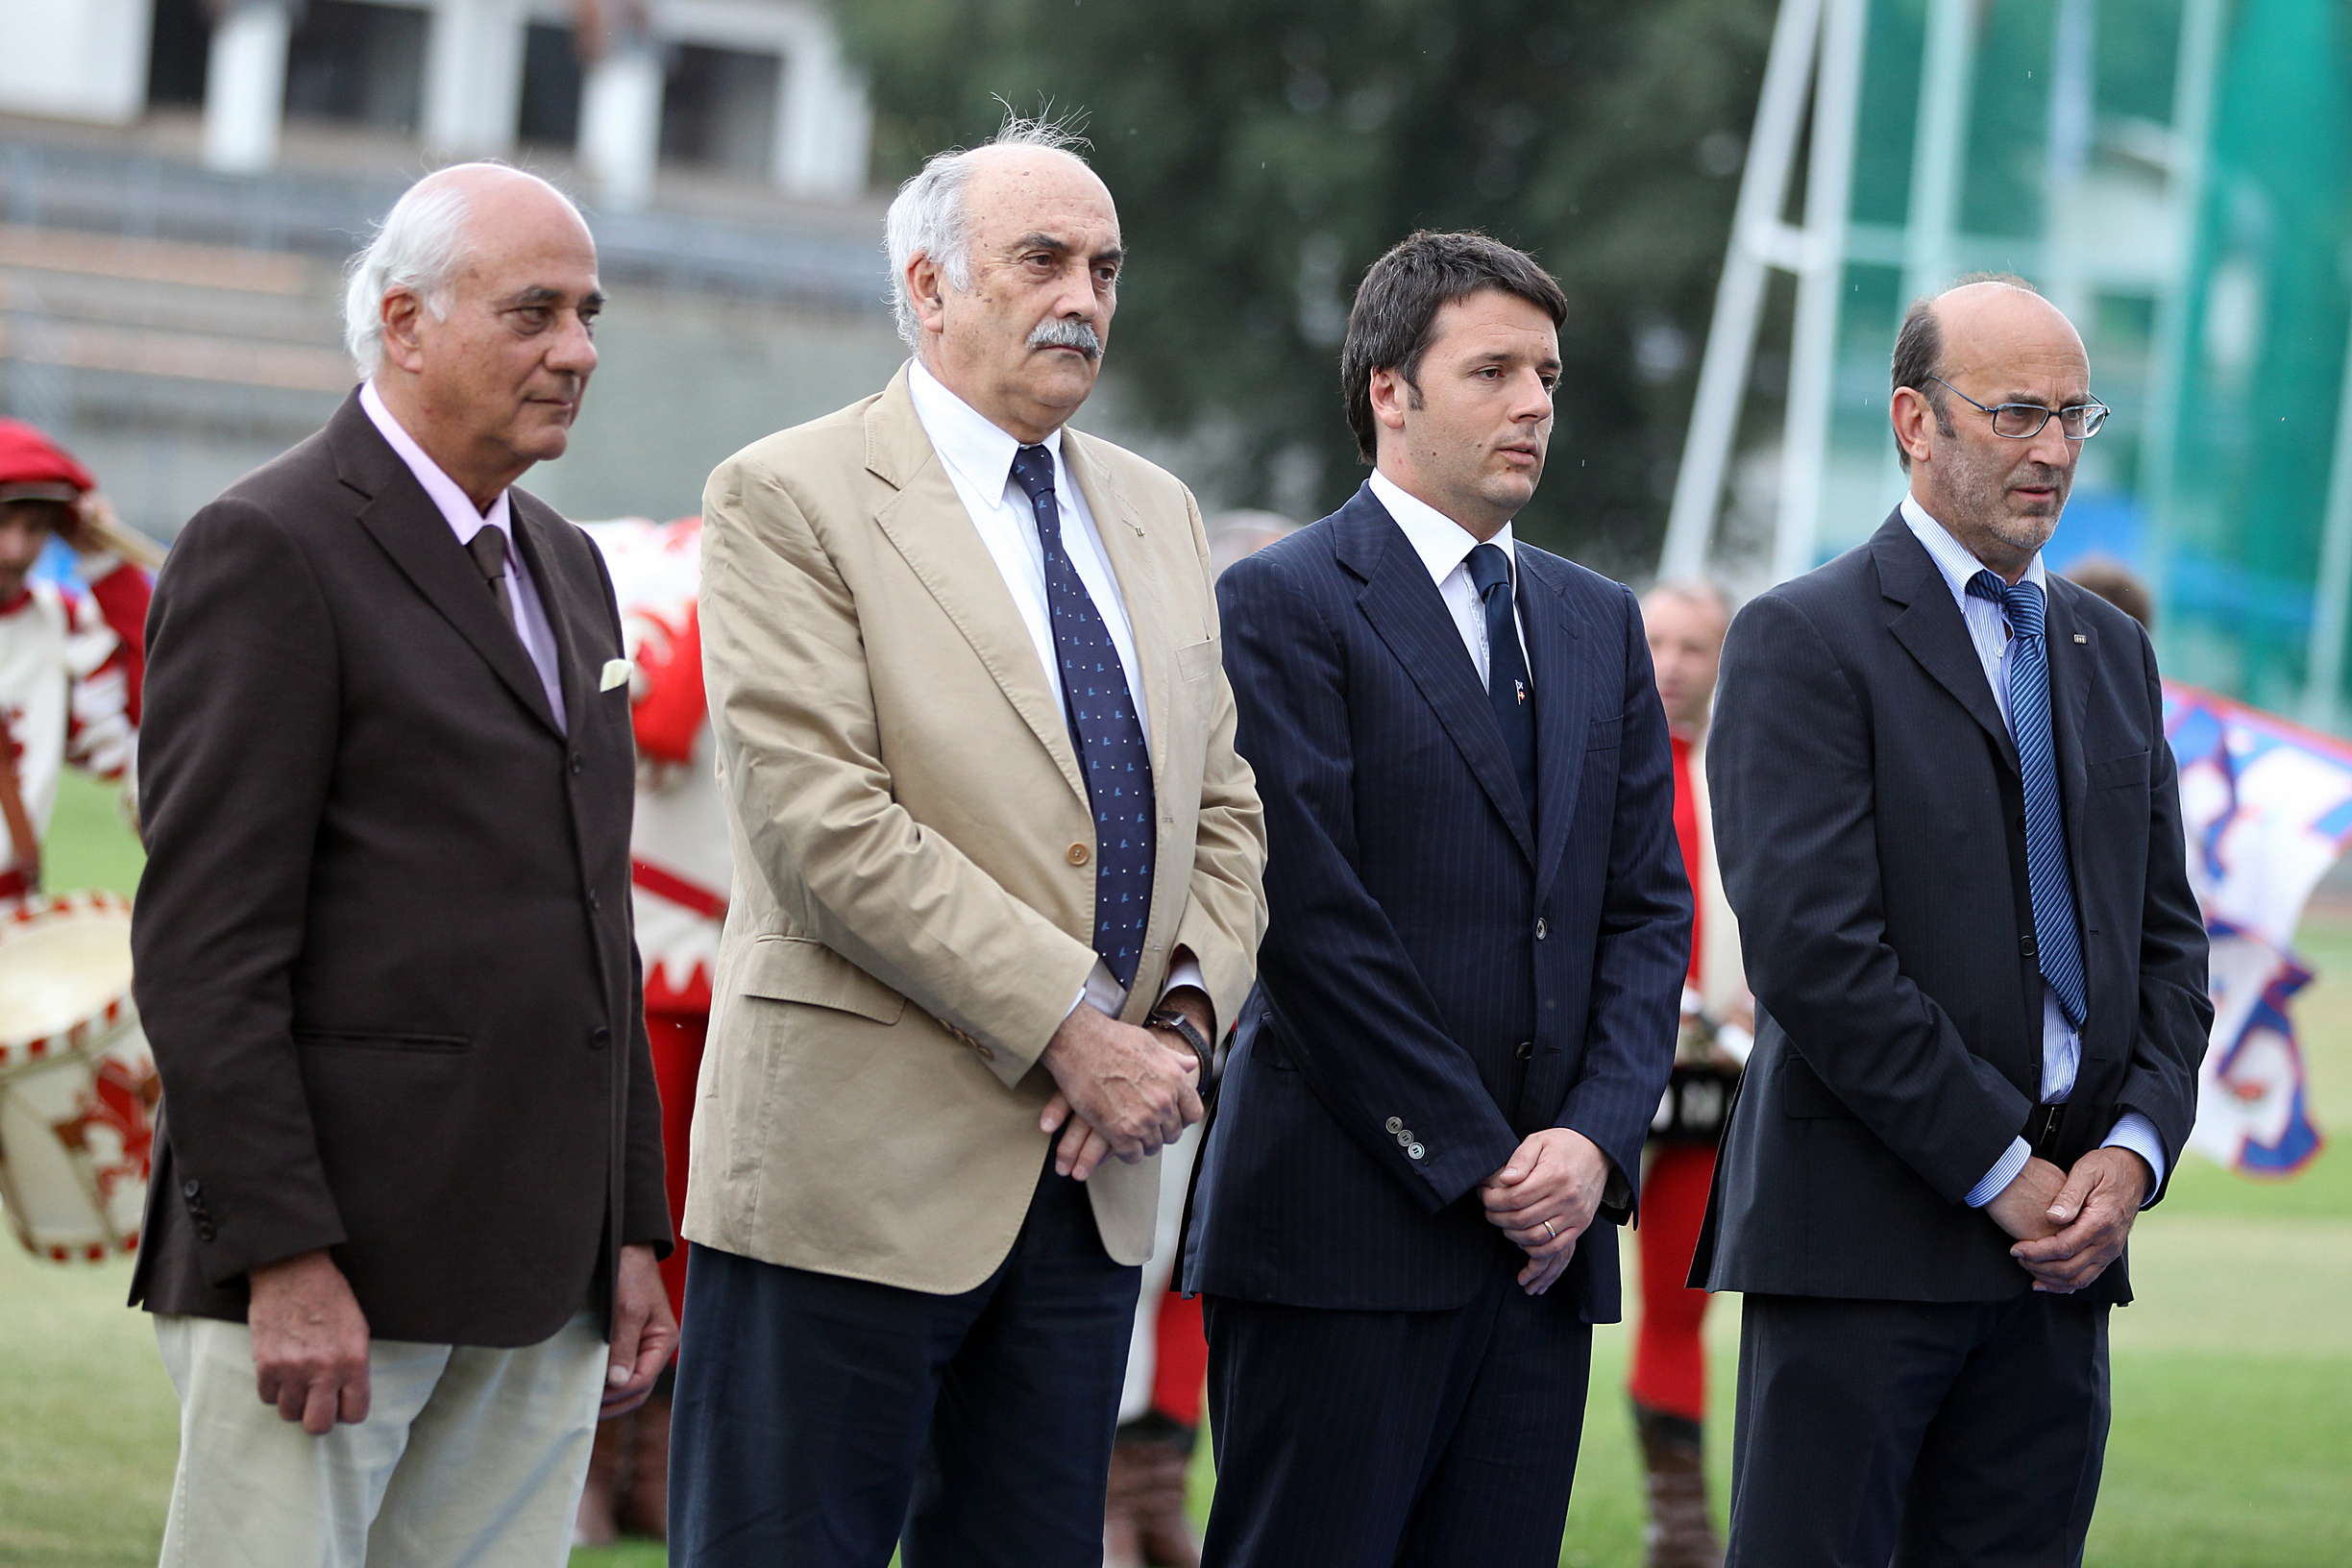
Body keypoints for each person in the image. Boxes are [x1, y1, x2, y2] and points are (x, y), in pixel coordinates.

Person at [672, 115, 1266, 1568]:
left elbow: (1225, 812)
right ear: (928, 286)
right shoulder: (787, 494)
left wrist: (1177, 1033)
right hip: (849, 1176)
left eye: (1105, 269)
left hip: (1087, 1181)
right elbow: (821, 824)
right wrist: (1073, 1030)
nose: (1083, 299)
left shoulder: (1159, 512)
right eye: (1042, 260)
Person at [128, 162, 674, 1566]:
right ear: (405, 322)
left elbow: (594, 923)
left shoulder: (568, 565)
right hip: (331, 1272)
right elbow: (204, 949)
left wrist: (627, 1232)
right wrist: (281, 1254)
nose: (578, 351)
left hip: (540, 1273)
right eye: (534, 312)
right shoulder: (267, 546)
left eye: (590, 315)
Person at [1183, 230, 1691, 1566]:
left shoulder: (1597, 618)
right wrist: (1478, 1162)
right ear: (1388, 391)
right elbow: (1309, 921)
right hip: (1340, 1234)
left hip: (1544, 1250)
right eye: (1494, 371)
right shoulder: (1281, 601)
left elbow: (1648, 912)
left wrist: (1593, 1143)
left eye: (1549, 377)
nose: (1535, 404)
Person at [1692, 275, 2211, 1566]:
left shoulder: (2110, 651)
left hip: (2063, 1264)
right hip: (1862, 1249)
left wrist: (2134, 1149)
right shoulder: (1802, 639)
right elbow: (1816, 955)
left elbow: (2165, 942)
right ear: (1914, 421)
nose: (2053, 450)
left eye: (2075, 417)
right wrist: (1999, 1166)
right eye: (2018, 413)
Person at [1103, 506, 1301, 1568]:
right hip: (1166, 1011)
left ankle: (1155, 1491)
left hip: (1273, 1024)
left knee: (1197, 1267)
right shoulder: (1154, 694)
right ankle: (1105, 1492)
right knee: (1135, 1257)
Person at [574, 513, 724, 1547]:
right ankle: (593, 1455)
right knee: (634, 1210)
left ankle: (663, 1462)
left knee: (714, 1231)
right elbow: (662, 727)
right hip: (660, 946)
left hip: (756, 953)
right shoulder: (688, 576)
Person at [1629, 578, 1747, 1568]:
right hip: (1605, 1071)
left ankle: (1681, 1527)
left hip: (1716, 1078)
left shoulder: (1749, 766)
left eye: (1692, 648)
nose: (1670, 666)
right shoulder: (1603, 753)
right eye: (1656, 642)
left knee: (1680, 1301)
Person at [0, 421, 148, 907]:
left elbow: (157, 716)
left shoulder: (62, 621)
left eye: (34, 527)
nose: (14, 551)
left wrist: (109, 568)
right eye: (1, 522)